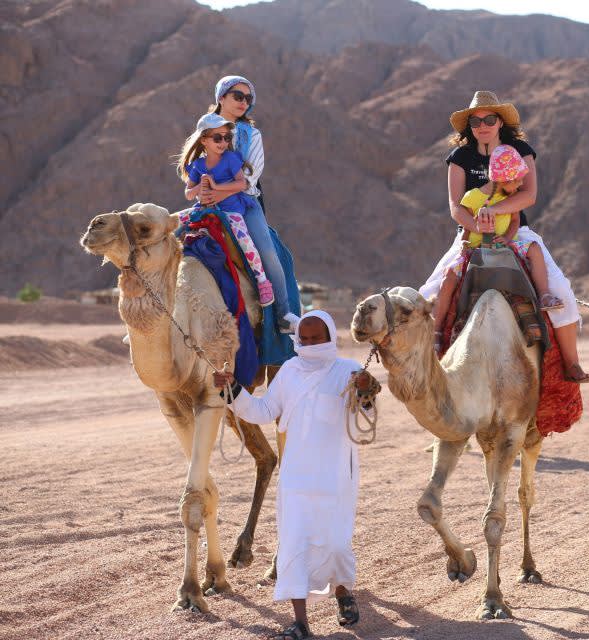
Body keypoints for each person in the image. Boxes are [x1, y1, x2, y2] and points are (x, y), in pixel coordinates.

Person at [214, 310, 376, 639]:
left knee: (336, 544)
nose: (311, 344)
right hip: (296, 477)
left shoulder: (348, 370)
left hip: (336, 477)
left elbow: (366, 414)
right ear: (297, 339)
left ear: (330, 337)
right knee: (294, 545)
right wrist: (232, 390)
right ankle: (300, 623)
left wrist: (366, 391)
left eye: (317, 338)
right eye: (305, 338)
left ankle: (343, 591)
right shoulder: (289, 370)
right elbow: (262, 411)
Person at [422, 91, 589, 383]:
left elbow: (529, 195)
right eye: (475, 121)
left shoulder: (520, 149)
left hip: (516, 230)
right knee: (429, 293)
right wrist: (478, 227)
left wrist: (493, 211)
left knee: (561, 290)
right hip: (471, 233)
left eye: (489, 119)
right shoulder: (460, 157)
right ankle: (428, 361)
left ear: (501, 121)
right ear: (469, 126)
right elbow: (456, 206)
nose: (482, 126)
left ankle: (571, 363)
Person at [431, 144, 564, 348]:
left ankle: (545, 295)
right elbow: (465, 224)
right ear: (502, 179)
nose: (521, 183)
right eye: (517, 179)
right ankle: (436, 329)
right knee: (449, 276)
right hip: (475, 249)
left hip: (504, 247)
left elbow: (515, 222)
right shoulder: (472, 197)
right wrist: (464, 243)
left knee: (534, 248)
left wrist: (508, 239)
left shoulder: (511, 198)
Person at [200, 75, 293, 327]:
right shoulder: (205, 129)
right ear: (221, 98)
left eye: (248, 98)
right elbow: (193, 163)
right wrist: (202, 191)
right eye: (238, 96)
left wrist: (220, 192)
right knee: (174, 243)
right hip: (209, 201)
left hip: (245, 201)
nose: (244, 102)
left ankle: (283, 314)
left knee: (268, 252)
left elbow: (251, 176)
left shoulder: (252, 134)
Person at [176, 112, 275, 305]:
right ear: (204, 140)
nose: (223, 142)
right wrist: (200, 186)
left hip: (231, 210)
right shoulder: (197, 165)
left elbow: (242, 184)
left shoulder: (230, 159)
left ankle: (262, 281)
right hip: (204, 209)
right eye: (217, 138)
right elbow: (189, 194)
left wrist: (216, 186)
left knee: (245, 241)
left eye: (227, 137)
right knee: (173, 226)